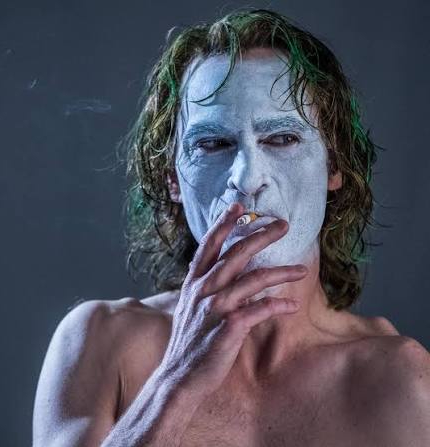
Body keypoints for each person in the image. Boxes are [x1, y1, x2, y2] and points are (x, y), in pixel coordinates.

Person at [32, 8, 430, 446]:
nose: (247, 177)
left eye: (282, 138)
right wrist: (175, 381)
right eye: (213, 143)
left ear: (334, 166)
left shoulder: (399, 380)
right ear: (173, 178)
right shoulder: (99, 342)